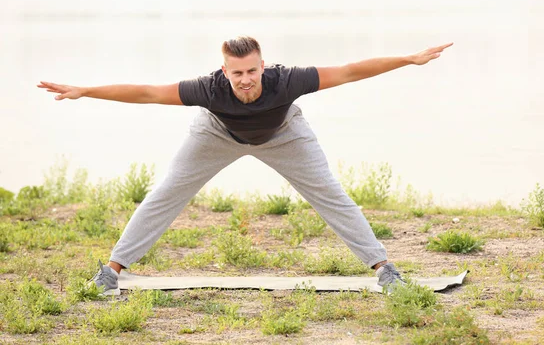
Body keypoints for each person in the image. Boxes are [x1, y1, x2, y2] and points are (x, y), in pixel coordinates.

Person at [38, 36, 453, 295]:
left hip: (284, 133)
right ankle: (112, 270)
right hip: (217, 133)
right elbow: (147, 92)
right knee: (166, 193)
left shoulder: (288, 80)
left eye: (251, 71)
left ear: (263, 66)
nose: (245, 80)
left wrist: (408, 59)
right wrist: (86, 91)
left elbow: (348, 71)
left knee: (331, 195)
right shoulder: (208, 89)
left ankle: (384, 269)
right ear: (225, 70)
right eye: (236, 73)